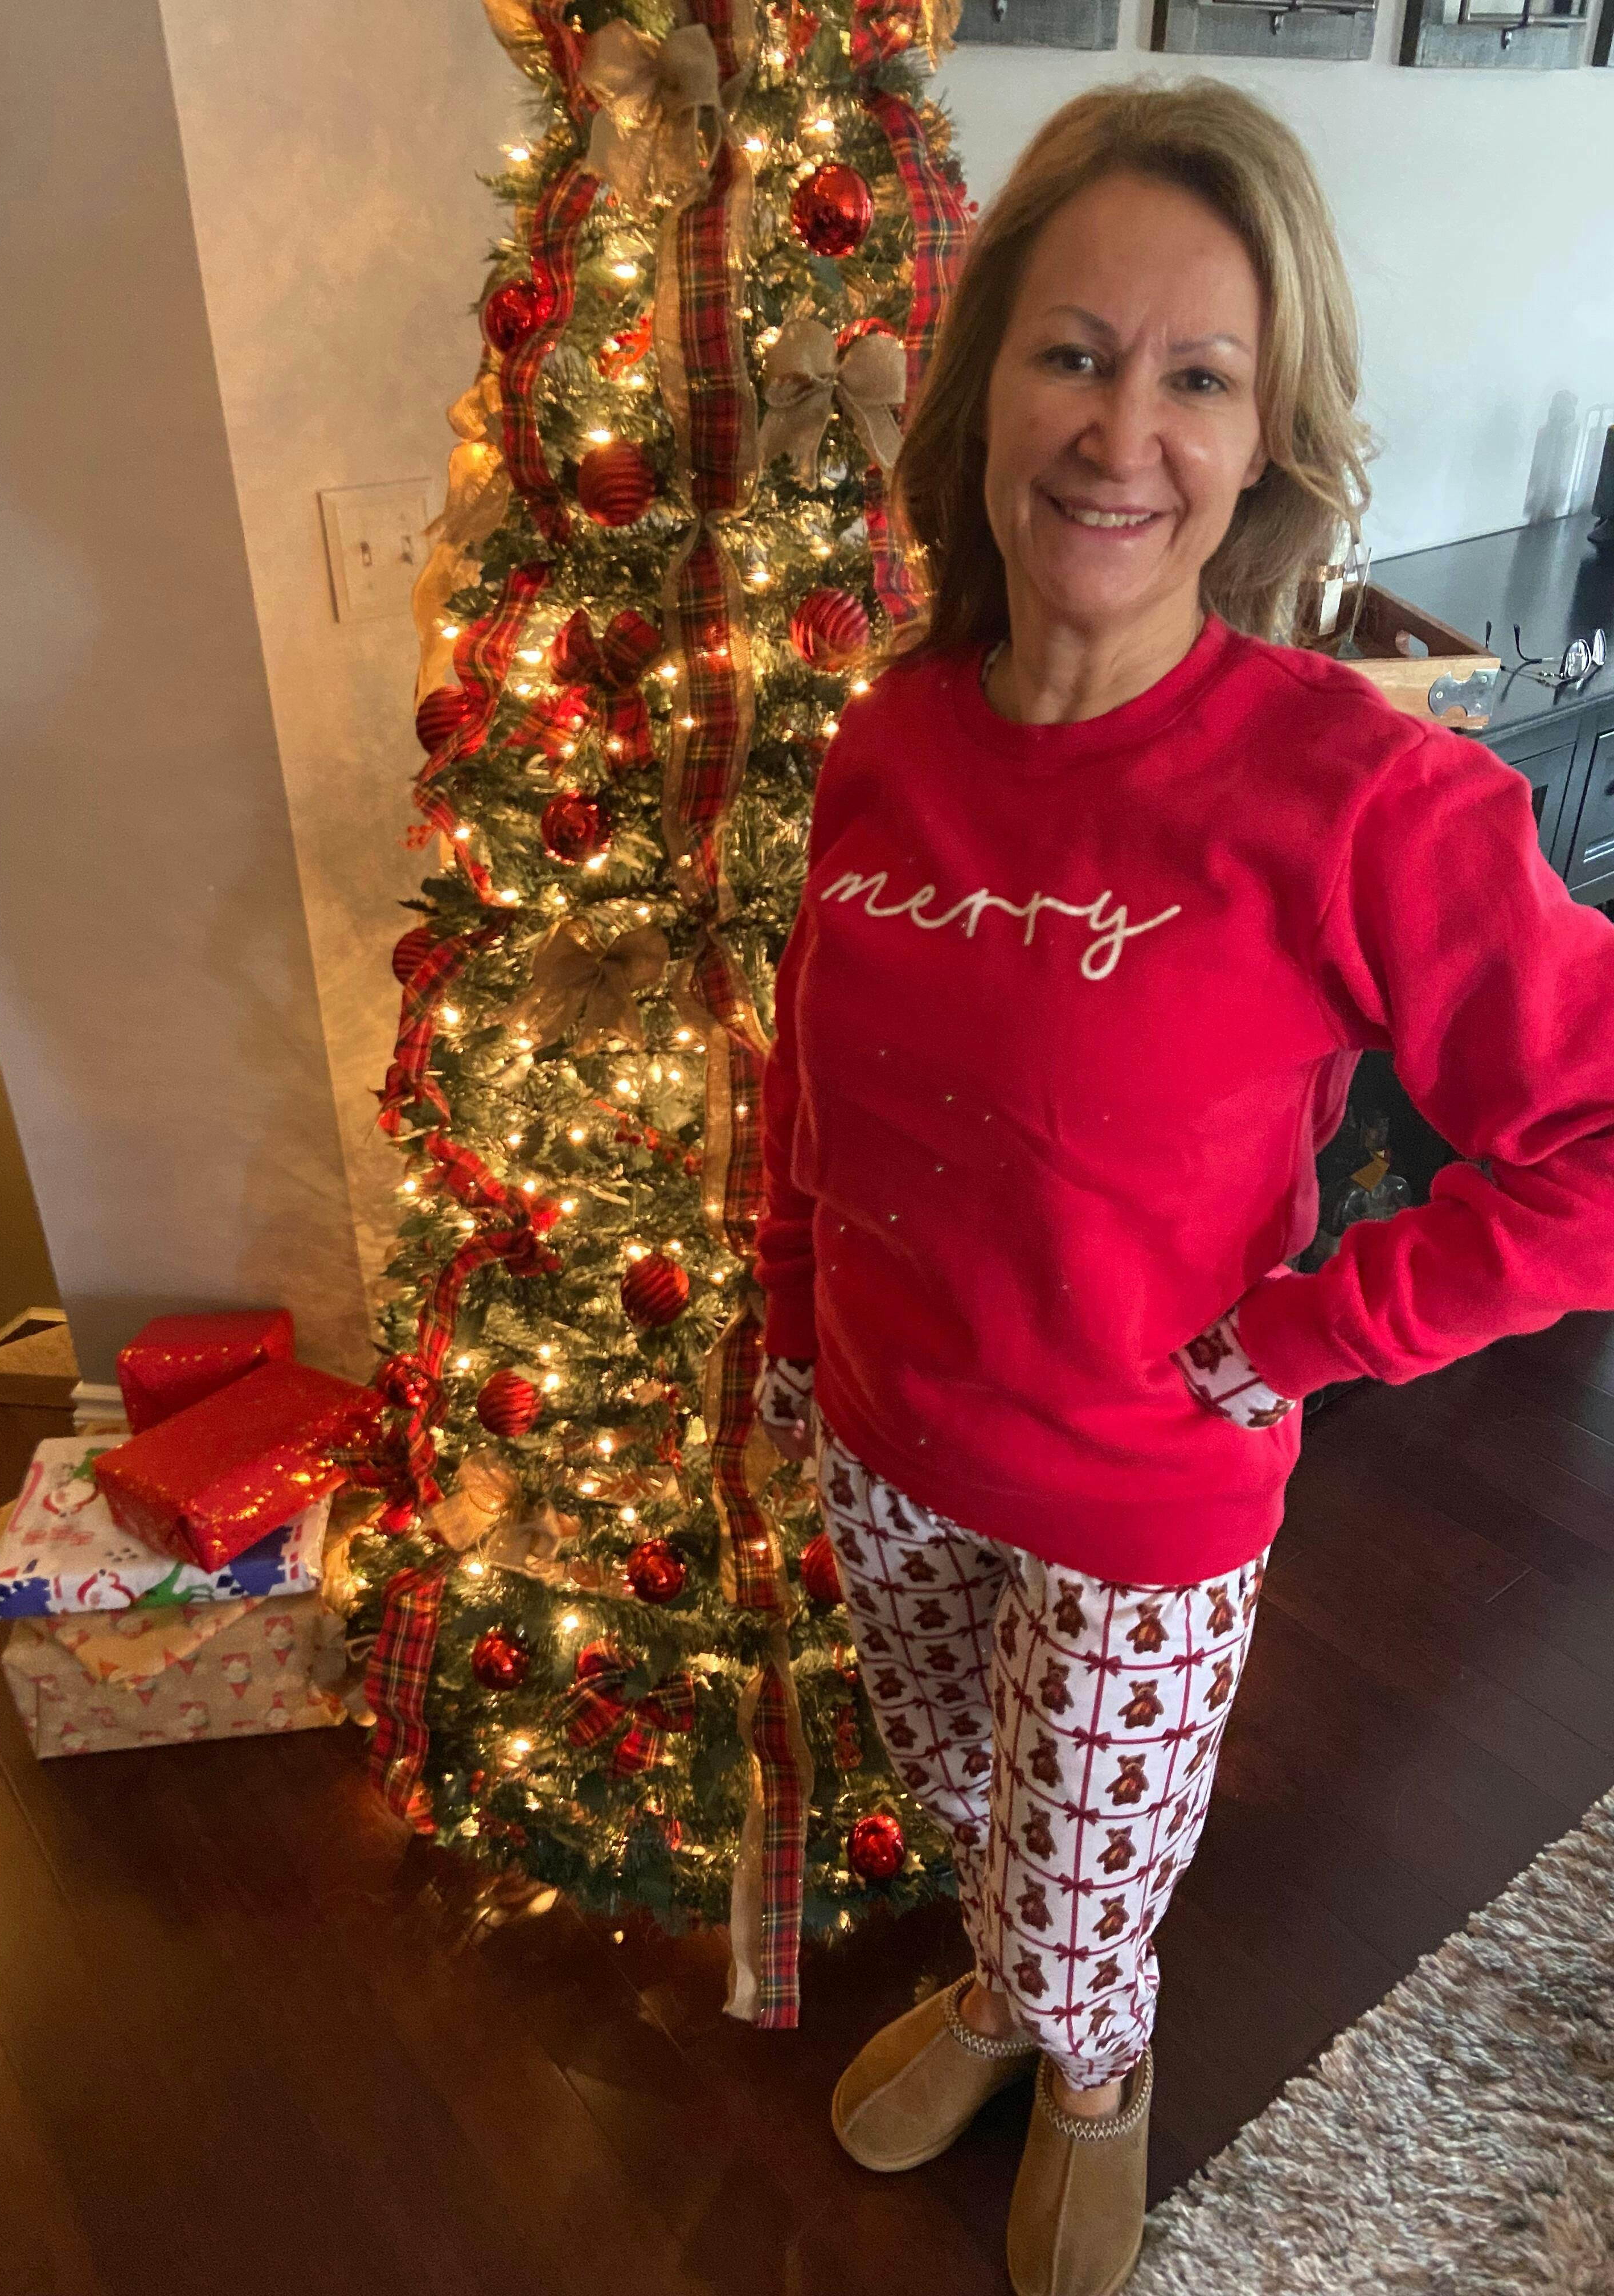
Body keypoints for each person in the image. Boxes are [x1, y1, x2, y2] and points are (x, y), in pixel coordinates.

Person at [752, 76, 1614, 2296]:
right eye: (1072, 352)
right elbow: (814, 1075)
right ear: (984, 390)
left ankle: (1092, 2064)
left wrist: (1313, 1335)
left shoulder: (1356, 799)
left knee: (1082, 1897)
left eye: (1199, 376)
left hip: (1145, 1485)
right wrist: (784, 1320)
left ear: (1265, 440)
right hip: (881, 1432)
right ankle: (1005, 2006)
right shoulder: (891, 738)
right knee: (966, 1809)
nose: (1121, 431)